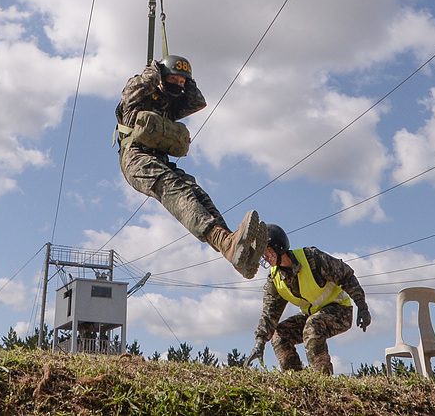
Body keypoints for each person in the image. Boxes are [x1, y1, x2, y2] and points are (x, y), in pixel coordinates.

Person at [115, 54, 268, 279]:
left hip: (159, 159)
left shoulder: (170, 104)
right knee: (173, 187)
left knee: (194, 191)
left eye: (182, 82)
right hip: (135, 158)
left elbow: (197, 101)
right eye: (175, 80)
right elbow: (135, 87)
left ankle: (232, 248)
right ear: (161, 77)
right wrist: (156, 69)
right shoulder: (136, 97)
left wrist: (188, 78)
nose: (179, 85)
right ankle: (225, 242)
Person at [247, 224, 371, 375]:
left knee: (313, 326)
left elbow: (346, 275)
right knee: (279, 333)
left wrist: (362, 307)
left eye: (267, 251)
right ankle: (295, 381)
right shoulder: (275, 280)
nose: (264, 257)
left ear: (278, 247)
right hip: (311, 316)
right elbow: (269, 315)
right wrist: (260, 343)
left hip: (340, 311)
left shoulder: (312, 259)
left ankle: (322, 381)